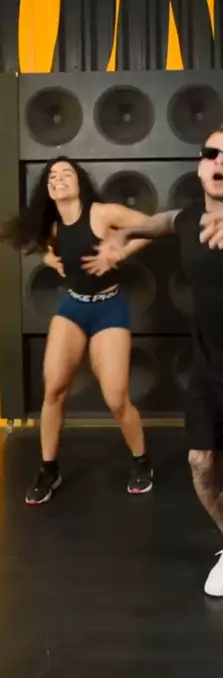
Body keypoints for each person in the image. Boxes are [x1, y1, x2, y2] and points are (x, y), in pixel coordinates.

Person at [96, 127, 223, 601]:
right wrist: (126, 232)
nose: (220, 160)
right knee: (200, 462)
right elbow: (167, 221)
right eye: (211, 153)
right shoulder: (192, 217)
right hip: (209, 365)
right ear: (201, 165)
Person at [0, 157, 154, 504]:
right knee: (54, 389)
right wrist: (47, 258)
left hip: (109, 307)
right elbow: (39, 245)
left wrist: (119, 252)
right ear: (48, 188)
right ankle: (48, 469)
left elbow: (150, 226)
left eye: (66, 173)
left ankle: (141, 461)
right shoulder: (52, 225)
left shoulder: (101, 213)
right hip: (73, 306)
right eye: (52, 176)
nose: (58, 178)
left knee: (116, 398)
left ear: (79, 182)